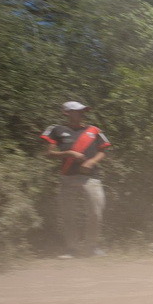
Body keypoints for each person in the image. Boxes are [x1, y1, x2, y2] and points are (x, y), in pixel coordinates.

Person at [41, 101, 111, 258]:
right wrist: (70, 154)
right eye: (77, 111)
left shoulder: (94, 130)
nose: (81, 114)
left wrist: (91, 162)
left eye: (82, 111)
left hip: (91, 178)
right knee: (68, 214)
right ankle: (71, 249)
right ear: (67, 112)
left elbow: (104, 151)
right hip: (67, 178)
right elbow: (48, 153)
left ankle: (92, 247)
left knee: (95, 212)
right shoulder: (56, 129)